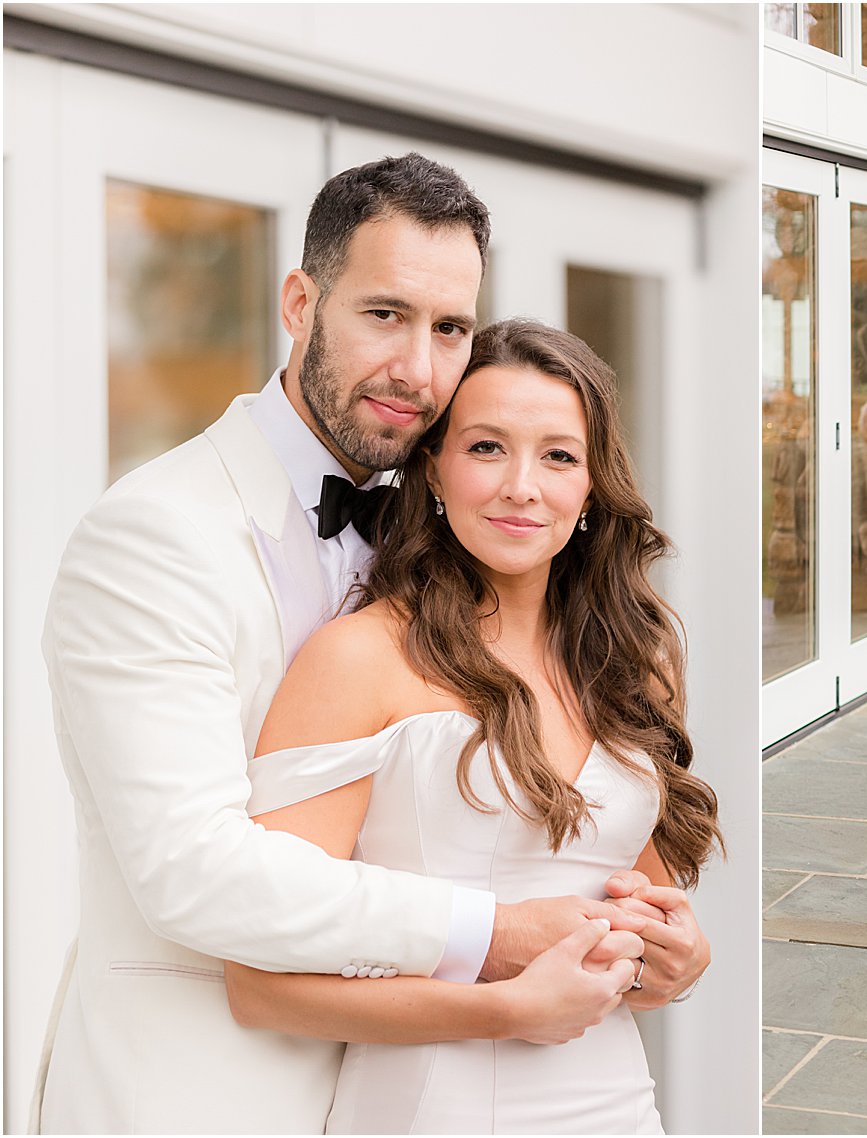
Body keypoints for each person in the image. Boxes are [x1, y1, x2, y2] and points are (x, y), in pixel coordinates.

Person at [35, 154, 698, 1134]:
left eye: (448, 329)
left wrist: (661, 946)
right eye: (384, 314)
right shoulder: (156, 534)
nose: (419, 369)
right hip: (207, 1092)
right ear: (300, 302)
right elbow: (194, 870)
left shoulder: (443, 543)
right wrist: (500, 936)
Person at [220, 319, 720, 1133]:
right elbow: (260, 984)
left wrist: (679, 964)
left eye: (559, 456)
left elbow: (643, 913)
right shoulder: (358, 659)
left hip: (615, 1107)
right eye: (487, 447)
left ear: (592, 487)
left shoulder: (637, 663)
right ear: (434, 467)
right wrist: (505, 1012)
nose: (523, 486)